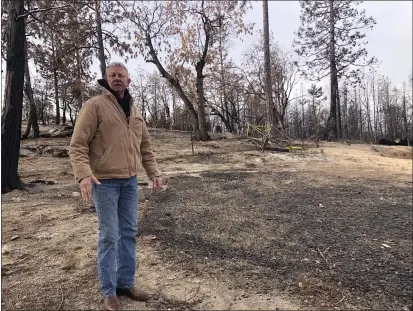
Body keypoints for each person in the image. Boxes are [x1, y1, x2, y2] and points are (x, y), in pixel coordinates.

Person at [69, 62, 162, 310]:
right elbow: (77, 145)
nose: (117, 78)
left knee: (129, 233)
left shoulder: (135, 109)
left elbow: (145, 148)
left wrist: (154, 174)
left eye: (121, 75)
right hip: (105, 183)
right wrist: (84, 175)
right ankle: (109, 291)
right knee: (109, 236)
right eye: (112, 75)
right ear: (106, 80)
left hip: (130, 182)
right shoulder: (94, 106)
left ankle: (125, 283)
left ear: (129, 80)